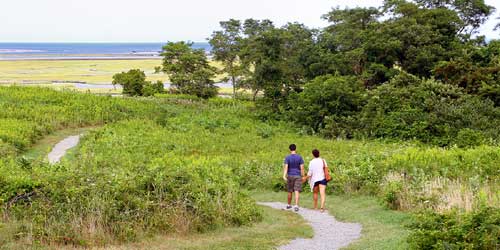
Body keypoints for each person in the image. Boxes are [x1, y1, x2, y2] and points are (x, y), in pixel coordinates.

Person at [283, 144, 305, 212]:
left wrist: (284, 175)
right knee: (296, 191)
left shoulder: (287, 157)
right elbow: (302, 168)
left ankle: (289, 205)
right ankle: (296, 206)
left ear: (289, 149)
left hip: (290, 175)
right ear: (296, 149)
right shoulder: (300, 157)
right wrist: (303, 175)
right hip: (298, 175)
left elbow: (286, 167)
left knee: (290, 191)